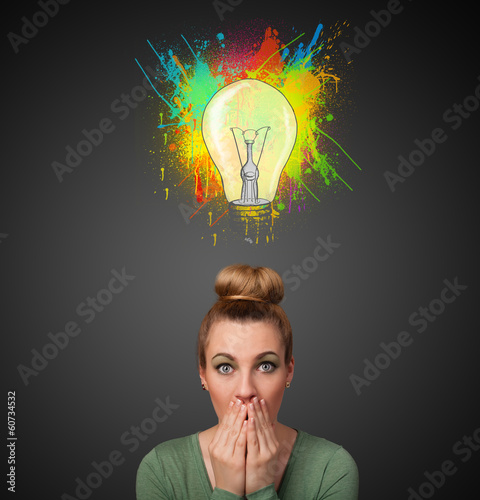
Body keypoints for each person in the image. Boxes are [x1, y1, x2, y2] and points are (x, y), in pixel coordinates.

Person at [136, 264, 359, 499]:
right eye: (225, 367)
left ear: (288, 372)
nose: (245, 391)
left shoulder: (331, 467)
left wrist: (261, 488)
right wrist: (227, 491)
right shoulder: (161, 468)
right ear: (203, 375)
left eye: (265, 366)